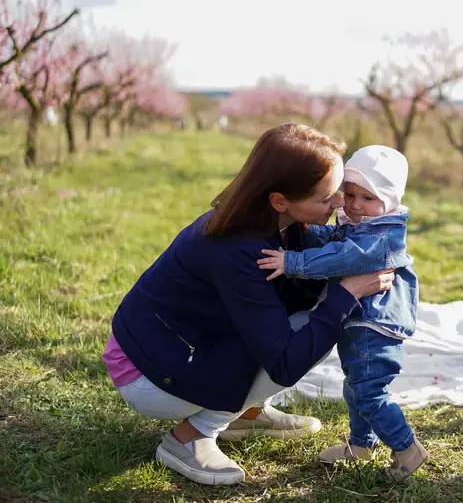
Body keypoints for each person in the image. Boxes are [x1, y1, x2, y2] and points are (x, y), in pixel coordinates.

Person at [102, 124, 395, 486]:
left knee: (309, 317)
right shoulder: (238, 249)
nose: (339, 204)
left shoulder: (277, 223)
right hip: (148, 373)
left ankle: (246, 411)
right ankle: (190, 436)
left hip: (176, 346)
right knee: (317, 325)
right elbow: (285, 363)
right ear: (279, 200)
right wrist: (347, 294)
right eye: (326, 198)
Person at [257, 145, 428, 480]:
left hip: (374, 327)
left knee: (369, 393)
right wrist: (303, 229)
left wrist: (293, 261)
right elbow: (334, 239)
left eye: (367, 198)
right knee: (355, 388)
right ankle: (361, 444)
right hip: (360, 324)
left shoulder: (381, 237)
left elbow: (343, 257)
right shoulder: (363, 224)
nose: (354, 205)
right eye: (349, 194)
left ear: (388, 201)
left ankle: (407, 448)